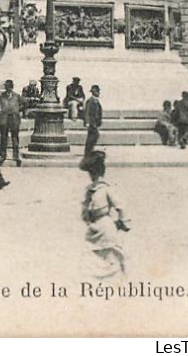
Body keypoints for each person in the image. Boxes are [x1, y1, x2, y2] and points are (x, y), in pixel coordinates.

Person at [80, 150, 130, 279]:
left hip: (105, 226)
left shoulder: (106, 189)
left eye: (94, 174)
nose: (92, 177)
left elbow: (120, 206)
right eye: (91, 174)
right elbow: (84, 210)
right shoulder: (90, 190)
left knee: (111, 256)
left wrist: (123, 222)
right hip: (94, 228)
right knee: (91, 257)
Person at [0, 79, 23, 166]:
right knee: (3, 138)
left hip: (14, 119)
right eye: (7, 87)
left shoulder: (17, 96)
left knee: (15, 138)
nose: (8, 88)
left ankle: (16, 156)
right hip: (4, 119)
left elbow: (24, 104)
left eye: (10, 87)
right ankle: (3, 155)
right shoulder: (1, 96)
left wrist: (17, 110)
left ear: (12, 87)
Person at [83, 85, 103, 155]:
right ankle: (88, 151)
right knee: (93, 136)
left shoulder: (96, 101)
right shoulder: (90, 101)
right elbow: (87, 112)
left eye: (98, 91)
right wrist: (87, 122)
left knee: (93, 136)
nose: (98, 93)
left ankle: (89, 150)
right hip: (91, 122)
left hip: (95, 122)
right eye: (97, 91)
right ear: (93, 92)